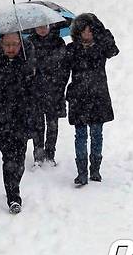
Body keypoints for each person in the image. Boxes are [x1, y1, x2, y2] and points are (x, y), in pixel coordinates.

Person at [0, 32, 37, 214]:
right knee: (9, 158)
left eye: (15, 44)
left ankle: (13, 184)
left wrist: (30, 76)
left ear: (21, 45)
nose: (11, 48)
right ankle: (13, 196)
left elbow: (36, 94)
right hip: (1, 120)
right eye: (7, 44)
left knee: (19, 159)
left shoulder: (28, 64)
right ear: (0, 45)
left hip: (22, 119)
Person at [65, 13, 119, 187]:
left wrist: (102, 30)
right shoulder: (72, 49)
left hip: (98, 96)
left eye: (90, 30)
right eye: (84, 31)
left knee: (97, 134)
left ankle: (95, 169)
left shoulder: (101, 47)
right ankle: (82, 172)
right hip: (78, 97)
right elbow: (62, 72)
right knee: (80, 135)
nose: (87, 34)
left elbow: (113, 50)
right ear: (78, 32)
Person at [30, 24, 70, 166]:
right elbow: (24, 67)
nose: (41, 29)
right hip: (35, 91)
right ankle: (38, 156)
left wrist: (59, 84)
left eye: (44, 26)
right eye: (38, 26)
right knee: (37, 125)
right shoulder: (29, 44)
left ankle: (50, 155)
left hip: (54, 91)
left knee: (52, 125)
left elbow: (65, 68)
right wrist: (31, 72)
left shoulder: (58, 42)